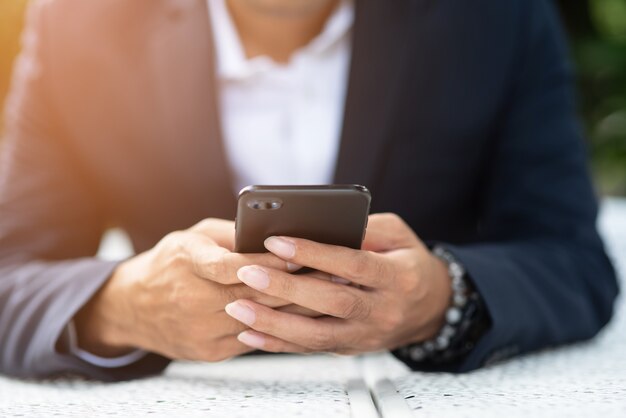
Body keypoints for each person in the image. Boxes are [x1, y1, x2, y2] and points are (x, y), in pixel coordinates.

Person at [0, 0, 618, 381]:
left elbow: (573, 262)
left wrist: (441, 299)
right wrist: (124, 305)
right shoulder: (77, 23)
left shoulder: (495, 19)